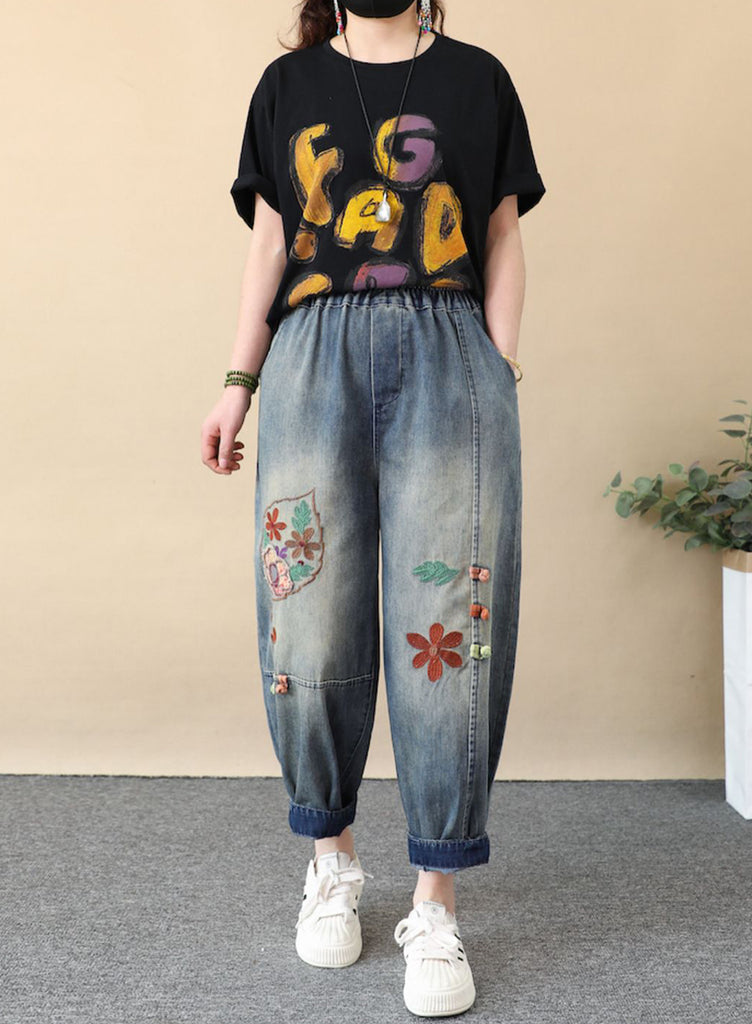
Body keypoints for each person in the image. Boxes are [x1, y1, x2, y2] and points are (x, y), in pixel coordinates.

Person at [201, 0, 545, 1015]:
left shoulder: (478, 79)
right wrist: (236, 384)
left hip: (451, 356)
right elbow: (271, 245)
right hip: (313, 363)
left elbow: (500, 235)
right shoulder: (288, 87)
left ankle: (436, 903)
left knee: (450, 626)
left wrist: (498, 368)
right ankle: (332, 860)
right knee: (307, 613)